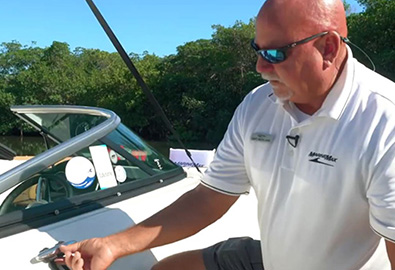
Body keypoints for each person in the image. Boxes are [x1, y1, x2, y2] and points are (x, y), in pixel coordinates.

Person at [60, 0, 395, 269]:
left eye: (276, 53)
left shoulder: (384, 121)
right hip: (272, 257)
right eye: (257, 50)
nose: (260, 67)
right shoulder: (257, 104)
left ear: (328, 48)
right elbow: (210, 198)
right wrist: (110, 245)